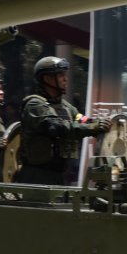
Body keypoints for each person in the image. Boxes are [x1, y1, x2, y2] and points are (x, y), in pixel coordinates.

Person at [14, 56, 91, 185]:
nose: (66, 79)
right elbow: (56, 127)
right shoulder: (35, 105)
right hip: (36, 177)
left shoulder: (66, 107)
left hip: (58, 175)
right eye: (61, 75)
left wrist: (103, 123)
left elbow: (82, 119)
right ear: (47, 78)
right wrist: (92, 128)